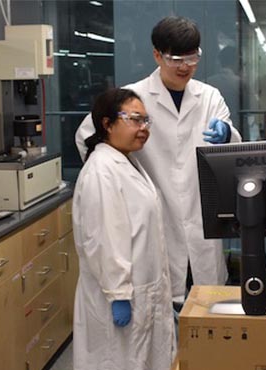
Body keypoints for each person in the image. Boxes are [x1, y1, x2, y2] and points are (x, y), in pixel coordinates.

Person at [75, 16, 242, 303]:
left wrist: (227, 133)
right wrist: (122, 179)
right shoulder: (132, 98)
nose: (185, 66)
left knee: (208, 308)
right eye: (176, 58)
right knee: (162, 307)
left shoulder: (209, 96)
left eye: (192, 57)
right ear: (157, 55)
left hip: (202, 217)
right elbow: (87, 138)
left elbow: (232, 148)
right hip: (153, 220)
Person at [72, 88, 175, 370]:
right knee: (118, 361)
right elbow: (104, 240)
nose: (143, 129)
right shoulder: (101, 171)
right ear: (107, 124)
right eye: (134, 120)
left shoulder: (127, 161)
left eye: (146, 121)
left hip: (143, 291)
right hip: (121, 297)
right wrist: (118, 294)